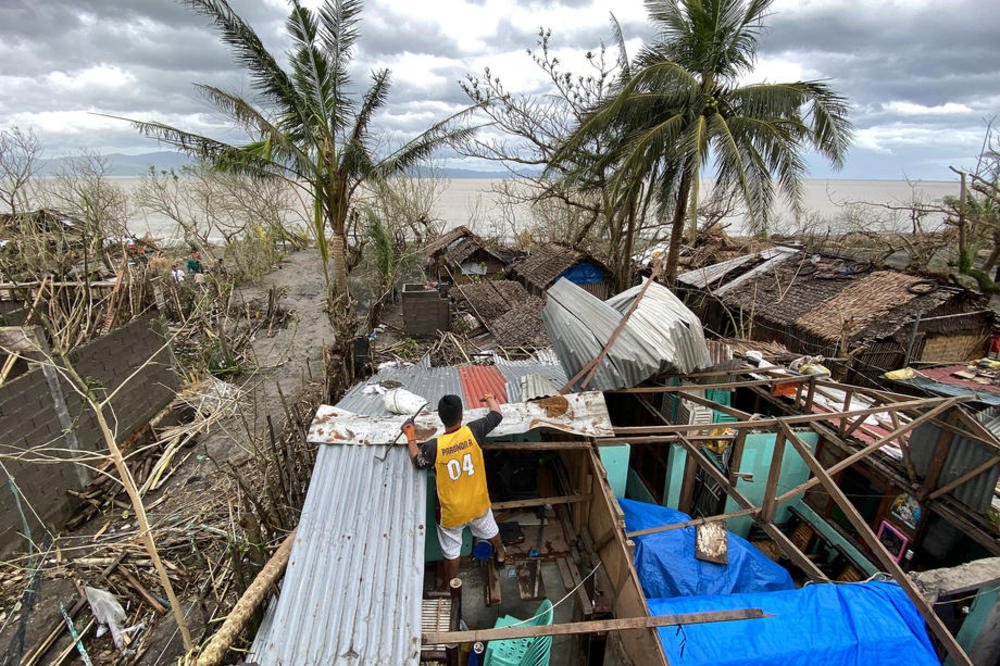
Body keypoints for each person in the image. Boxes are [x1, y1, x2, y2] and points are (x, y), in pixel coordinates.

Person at [405, 393, 505, 586]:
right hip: (477, 504)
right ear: (461, 415)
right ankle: (500, 555)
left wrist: (410, 436)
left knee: (452, 552)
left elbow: (417, 462)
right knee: (491, 531)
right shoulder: (474, 431)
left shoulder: (434, 447)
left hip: (452, 512)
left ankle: (450, 583)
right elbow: (497, 415)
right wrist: (490, 398)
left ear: (441, 417)